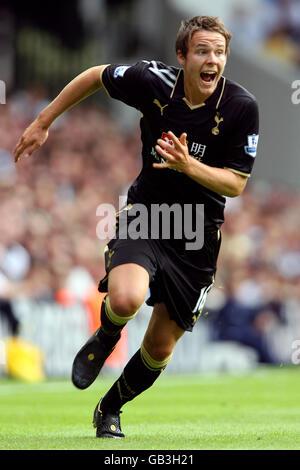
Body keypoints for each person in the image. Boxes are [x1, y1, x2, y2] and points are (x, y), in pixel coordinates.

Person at [14, 16, 259, 439]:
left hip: (197, 237)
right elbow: (95, 76)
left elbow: (236, 184)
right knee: (126, 298)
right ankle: (108, 332)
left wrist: (188, 165)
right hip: (148, 215)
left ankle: (110, 407)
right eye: (202, 51)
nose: (212, 60)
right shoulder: (154, 82)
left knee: (160, 347)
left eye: (219, 52)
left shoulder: (241, 106)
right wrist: (43, 120)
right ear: (182, 56)